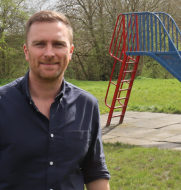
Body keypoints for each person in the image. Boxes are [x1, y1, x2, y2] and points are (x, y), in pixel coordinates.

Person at [0, 11, 110, 190]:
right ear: (26, 51)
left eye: (58, 44)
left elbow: (95, 172)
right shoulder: (2, 104)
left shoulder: (87, 106)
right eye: (40, 44)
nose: (49, 53)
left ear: (71, 51)